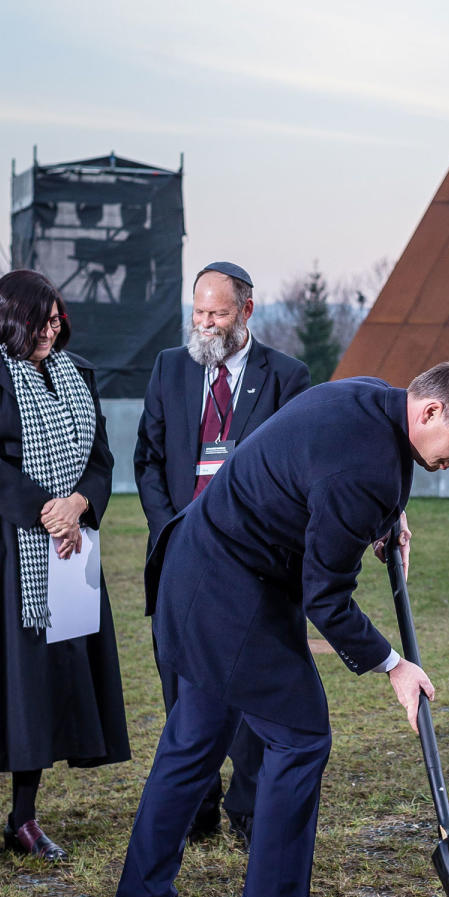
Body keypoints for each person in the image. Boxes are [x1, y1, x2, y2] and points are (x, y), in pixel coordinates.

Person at [107, 360, 449, 897]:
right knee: (299, 735)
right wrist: (394, 666)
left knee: (194, 739)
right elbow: (325, 597)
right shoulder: (366, 469)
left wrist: (386, 517)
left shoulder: (373, 395)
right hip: (231, 590)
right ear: (429, 411)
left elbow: (331, 477)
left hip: (199, 566)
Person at [0, 269, 129, 871]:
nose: (53, 329)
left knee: (43, 678)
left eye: (57, 320)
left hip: (63, 544)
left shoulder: (79, 376)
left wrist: (78, 504)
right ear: (10, 316)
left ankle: (24, 816)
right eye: (41, 320)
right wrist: (45, 509)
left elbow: (99, 460)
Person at [134, 260, 309, 846]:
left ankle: (251, 810)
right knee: (182, 690)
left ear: (247, 312)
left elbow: (300, 470)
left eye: (217, 313)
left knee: (251, 684)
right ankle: (196, 808)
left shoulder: (287, 376)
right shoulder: (169, 368)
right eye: (198, 312)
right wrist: (171, 531)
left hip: (252, 563)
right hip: (182, 557)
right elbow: (149, 461)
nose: (205, 324)